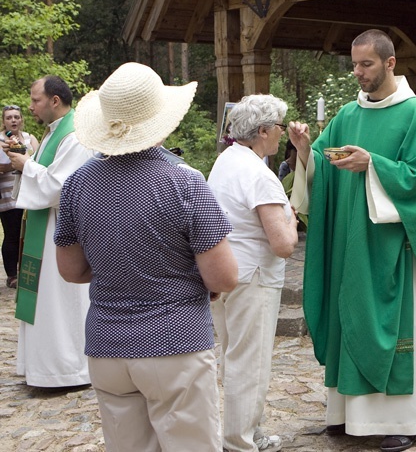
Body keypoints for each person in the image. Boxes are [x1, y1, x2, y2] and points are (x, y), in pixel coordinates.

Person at [54, 62, 239, 451]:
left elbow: (71, 270)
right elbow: (223, 277)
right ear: (162, 121)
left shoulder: (75, 186)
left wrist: (119, 269)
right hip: (176, 342)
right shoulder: (185, 182)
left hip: (107, 344)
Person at [288, 29, 416, 452]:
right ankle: (346, 414)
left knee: (397, 326)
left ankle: (403, 419)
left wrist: (373, 164)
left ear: (390, 63)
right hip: (351, 244)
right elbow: (322, 166)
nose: (358, 72)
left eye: (366, 65)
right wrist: (305, 150)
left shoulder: (415, 115)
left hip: (394, 245)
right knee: (350, 317)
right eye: (354, 65)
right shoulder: (346, 115)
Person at [207, 94, 298, 452]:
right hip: (255, 276)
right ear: (262, 131)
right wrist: (290, 216)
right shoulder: (260, 176)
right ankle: (241, 441)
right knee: (251, 361)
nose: (281, 134)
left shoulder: (225, 161)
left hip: (226, 271)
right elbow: (283, 245)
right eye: (278, 127)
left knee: (233, 356)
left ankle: (245, 430)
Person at [4, 76, 93, 388]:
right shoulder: (53, 132)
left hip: (63, 230)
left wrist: (25, 165)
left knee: (61, 300)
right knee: (43, 299)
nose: (30, 107)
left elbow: (62, 186)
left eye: (36, 100)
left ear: (55, 101)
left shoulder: (75, 136)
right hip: (45, 226)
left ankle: (68, 369)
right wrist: (24, 165)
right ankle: (42, 365)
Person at [0, 105, 39, 289]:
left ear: (22, 119)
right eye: (9, 118)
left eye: (16, 117)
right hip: (8, 194)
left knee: (29, 233)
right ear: (4, 121)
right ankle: (12, 275)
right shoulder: (0, 140)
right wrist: (10, 165)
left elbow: (40, 160)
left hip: (30, 192)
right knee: (12, 233)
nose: (13, 120)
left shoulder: (30, 138)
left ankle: (28, 272)